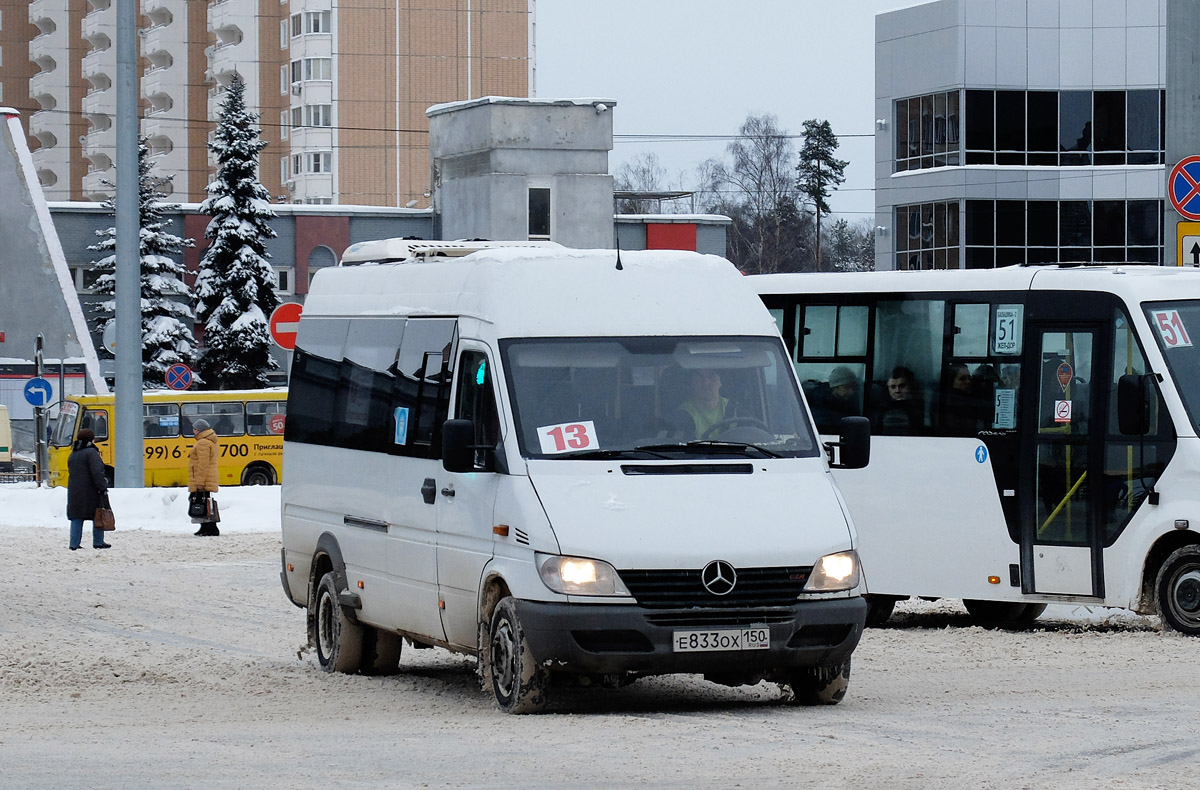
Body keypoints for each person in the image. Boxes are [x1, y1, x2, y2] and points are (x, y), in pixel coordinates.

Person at [66, 427, 110, 550]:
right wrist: (102, 486)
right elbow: (97, 472)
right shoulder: (91, 453)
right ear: (91, 439)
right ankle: (98, 542)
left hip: (75, 492)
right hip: (91, 492)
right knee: (98, 515)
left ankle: (74, 544)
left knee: (76, 517)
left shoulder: (73, 454)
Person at [672, 369, 731, 439]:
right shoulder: (682, 415)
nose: (706, 383)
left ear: (720, 381)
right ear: (692, 382)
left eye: (711, 375)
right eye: (700, 376)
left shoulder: (736, 410)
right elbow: (677, 446)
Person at [188, 418, 221, 536]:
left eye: (195, 429)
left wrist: (199, 482)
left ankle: (210, 528)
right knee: (205, 502)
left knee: (201, 502)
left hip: (204, 478)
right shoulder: (209, 441)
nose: (193, 431)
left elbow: (203, 464)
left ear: (199, 430)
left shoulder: (203, 443)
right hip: (207, 477)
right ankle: (206, 527)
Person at [873, 365, 924, 435]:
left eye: (902, 386)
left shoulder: (917, 409)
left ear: (909, 386)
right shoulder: (880, 409)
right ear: (888, 388)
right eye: (893, 387)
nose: (897, 390)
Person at [811, 366, 861, 431]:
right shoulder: (820, 406)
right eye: (846, 387)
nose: (851, 392)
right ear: (835, 387)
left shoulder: (850, 404)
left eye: (853, 387)